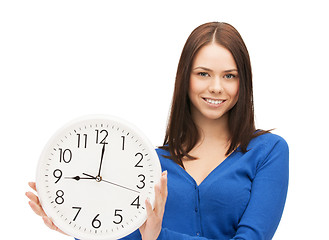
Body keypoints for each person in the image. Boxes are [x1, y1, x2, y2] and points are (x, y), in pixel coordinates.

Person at [26, 22, 289, 240]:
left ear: (244, 81)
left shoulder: (268, 152)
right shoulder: (150, 163)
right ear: (185, 78)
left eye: (229, 76)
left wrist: (157, 236)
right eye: (203, 74)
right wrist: (73, 227)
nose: (217, 87)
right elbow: (121, 230)